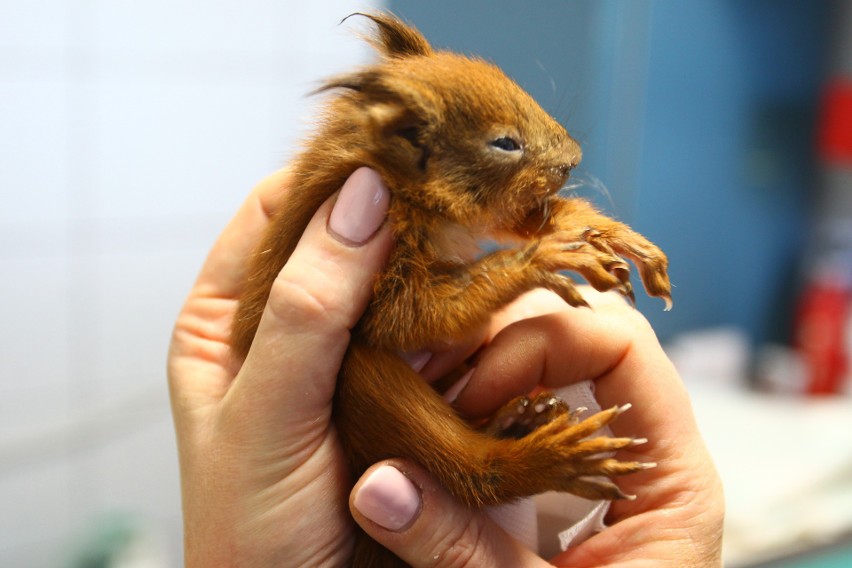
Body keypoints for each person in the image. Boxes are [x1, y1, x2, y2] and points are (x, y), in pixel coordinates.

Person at [168, 167, 724, 567]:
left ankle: (495, 443)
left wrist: (585, 233)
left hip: (413, 438)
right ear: (416, 152)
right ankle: (491, 469)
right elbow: (401, 320)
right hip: (378, 450)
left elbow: (532, 219)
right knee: (371, 372)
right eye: (506, 145)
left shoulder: (425, 205)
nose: (565, 158)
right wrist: (526, 266)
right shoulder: (392, 213)